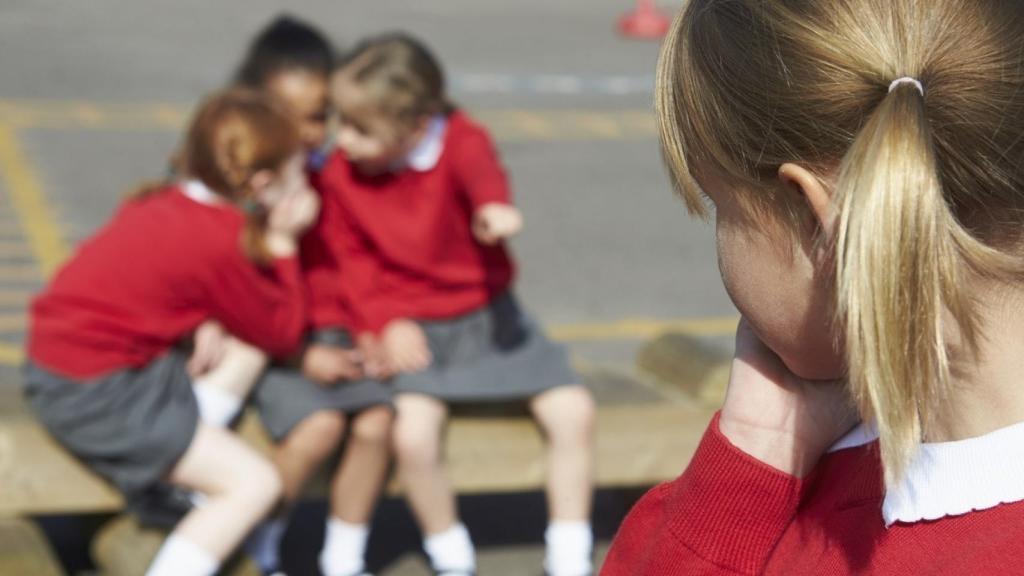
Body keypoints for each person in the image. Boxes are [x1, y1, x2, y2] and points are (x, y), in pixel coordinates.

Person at [603, 1, 1024, 574]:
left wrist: (744, 478)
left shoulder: (806, 534)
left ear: (813, 222)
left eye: (720, 207)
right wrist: (764, 439)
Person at [323, 33, 596, 576]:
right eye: (339, 120)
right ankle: (450, 551)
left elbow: (482, 176)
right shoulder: (340, 175)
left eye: (359, 128)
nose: (342, 139)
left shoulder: (460, 141)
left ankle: (570, 549)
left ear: (417, 127)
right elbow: (351, 265)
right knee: (413, 433)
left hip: (489, 321)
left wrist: (494, 208)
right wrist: (385, 321)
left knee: (573, 411)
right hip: (417, 329)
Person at [24, 88, 319, 576]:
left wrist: (203, 318)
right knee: (254, 485)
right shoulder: (221, 238)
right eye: (298, 172)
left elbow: (162, 282)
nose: (307, 182)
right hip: (96, 395)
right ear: (263, 183)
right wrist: (286, 245)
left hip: (62, 365)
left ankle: (179, 475)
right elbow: (283, 334)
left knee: (242, 348)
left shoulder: (162, 200)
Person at [233, 16, 395, 576]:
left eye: (320, 115)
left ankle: (343, 557)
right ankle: (262, 542)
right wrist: (302, 355)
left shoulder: (329, 174)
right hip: (267, 343)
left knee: (378, 419)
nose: (311, 131)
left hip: (330, 335)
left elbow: (354, 266)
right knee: (320, 426)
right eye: (295, 117)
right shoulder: (248, 185)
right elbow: (240, 297)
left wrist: (372, 329)